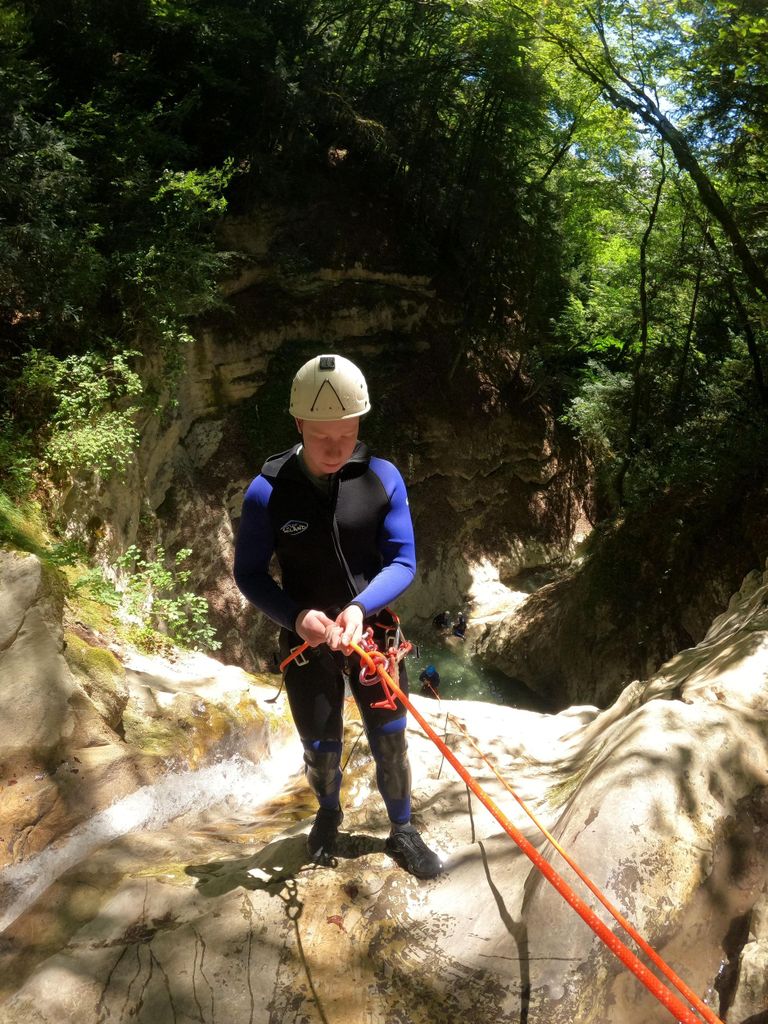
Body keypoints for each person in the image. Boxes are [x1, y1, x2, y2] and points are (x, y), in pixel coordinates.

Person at [233, 353, 443, 880]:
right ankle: (328, 813)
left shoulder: (381, 478)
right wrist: (296, 615)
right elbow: (250, 574)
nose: (335, 448)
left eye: (346, 434)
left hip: (371, 633)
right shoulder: (268, 491)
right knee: (320, 751)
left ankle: (403, 829)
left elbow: (403, 560)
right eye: (322, 436)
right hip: (306, 639)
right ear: (299, 424)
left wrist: (358, 607)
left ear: (359, 424)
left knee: (390, 741)